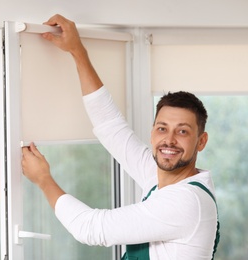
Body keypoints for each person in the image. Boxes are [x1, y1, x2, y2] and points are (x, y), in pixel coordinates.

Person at [21, 14, 219, 260]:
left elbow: (91, 228)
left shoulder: (186, 202)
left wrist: (43, 179)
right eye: (162, 128)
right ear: (152, 132)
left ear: (201, 141)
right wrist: (77, 52)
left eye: (182, 131)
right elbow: (110, 126)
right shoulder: (164, 178)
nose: (169, 140)